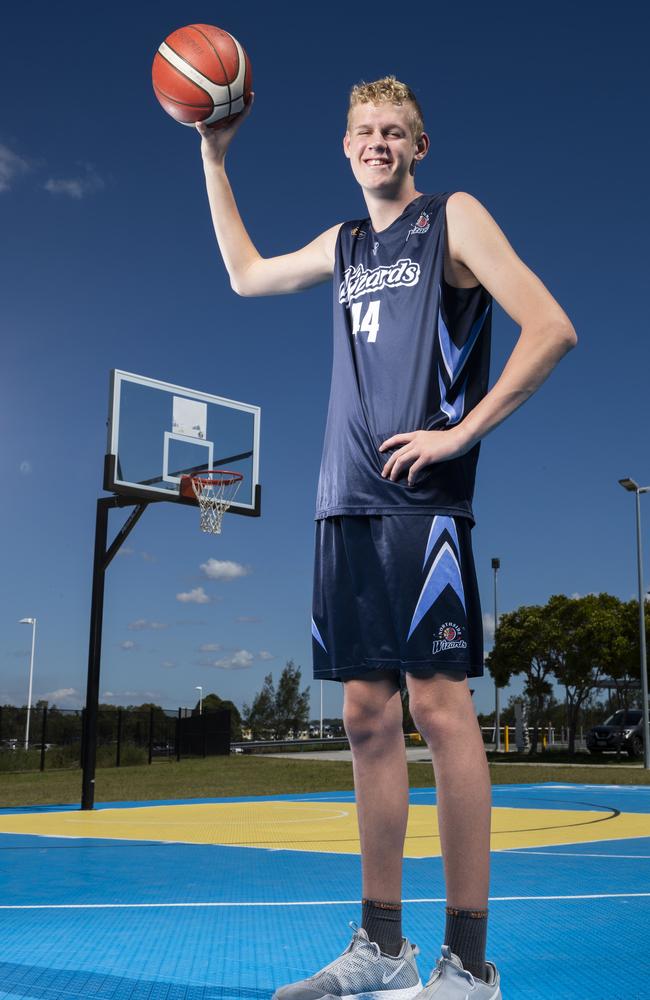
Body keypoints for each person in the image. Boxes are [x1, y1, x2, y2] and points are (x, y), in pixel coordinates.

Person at [196, 76, 576, 1000]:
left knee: (440, 712)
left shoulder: (452, 219)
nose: (377, 141)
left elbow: (551, 328)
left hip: (423, 503)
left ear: (419, 146)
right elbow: (247, 275)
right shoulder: (346, 242)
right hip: (343, 503)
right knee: (366, 719)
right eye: (364, 129)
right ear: (346, 145)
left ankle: (470, 962)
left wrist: (458, 431)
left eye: (394, 131)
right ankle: (382, 948)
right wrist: (213, 151)